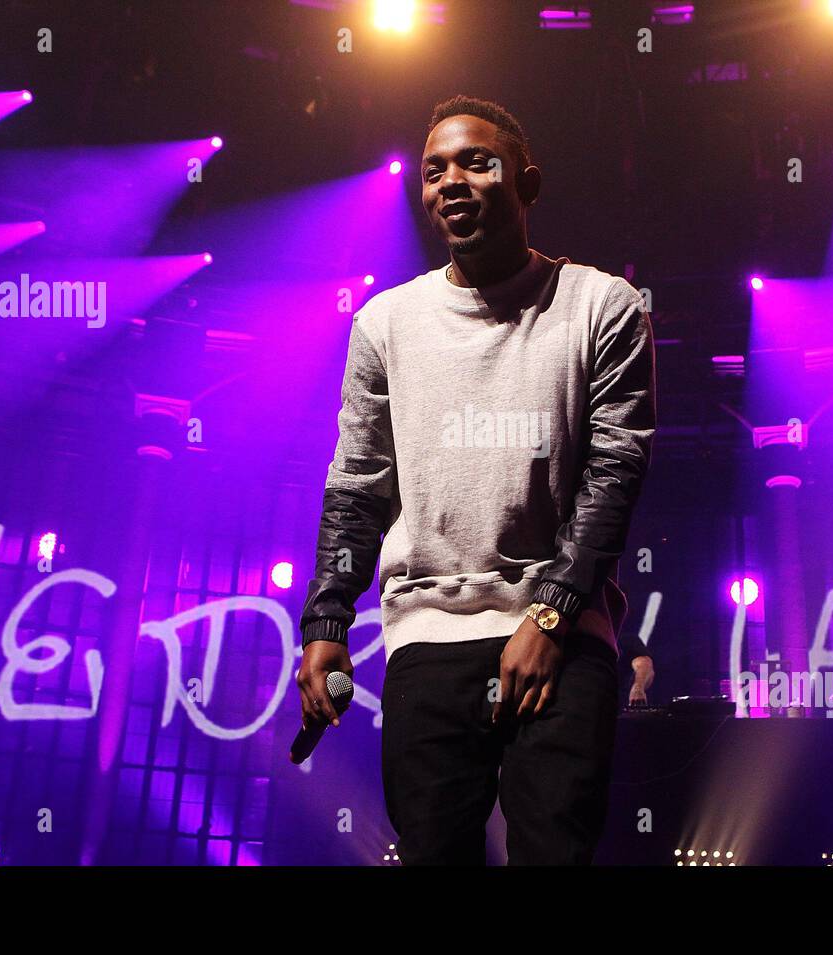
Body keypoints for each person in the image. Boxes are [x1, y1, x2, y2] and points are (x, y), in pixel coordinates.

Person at [297, 94, 656, 865]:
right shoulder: (384, 323)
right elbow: (357, 484)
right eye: (434, 170)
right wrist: (327, 622)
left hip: (560, 640)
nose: (451, 180)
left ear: (526, 184)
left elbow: (616, 469)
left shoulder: (603, 305)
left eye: (475, 162)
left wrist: (554, 615)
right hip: (427, 640)